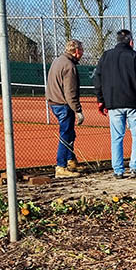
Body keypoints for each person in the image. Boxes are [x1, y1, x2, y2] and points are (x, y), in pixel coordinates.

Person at [93, 29, 136, 178]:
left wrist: (101, 100)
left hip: (113, 103)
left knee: (116, 137)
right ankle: (135, 167)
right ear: (131, 42)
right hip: (134, 102)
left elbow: (97, 80)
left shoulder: (106, 57)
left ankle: (118, 170)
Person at [45, 39, 86, 178]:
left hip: (54, 102)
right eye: (81, 50)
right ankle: (61, 167)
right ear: (76, 51)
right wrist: (78, 110)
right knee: (65, 134)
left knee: (69, 133)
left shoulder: (58, 61)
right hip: (63, 105)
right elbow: (70, 92)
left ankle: (71, 160)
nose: (82, 52)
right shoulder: (69, 66)